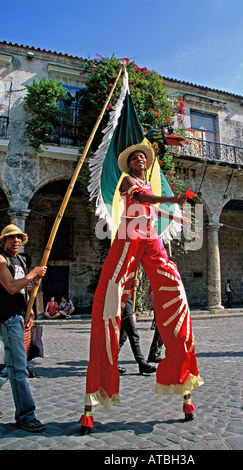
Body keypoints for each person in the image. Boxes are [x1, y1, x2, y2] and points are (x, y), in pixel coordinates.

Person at [79, 143, 204, 434]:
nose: (140, 159)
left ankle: (184, 382)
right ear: (130, 164)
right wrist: (172, 198)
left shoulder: (147, 181)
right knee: (108, 301)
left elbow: (151, 207)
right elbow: (142, 197)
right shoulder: (127, 180)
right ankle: (91, 402)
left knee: (176, 292)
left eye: (143, 157)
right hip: (128, 238)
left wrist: (175, 217)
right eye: (136, 157)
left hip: (151, 241)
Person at [0, 224, 47, 432]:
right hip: (7, 317)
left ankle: (24, 413)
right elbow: (11, 287)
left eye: (19, 237)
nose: (16, 241)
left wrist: (31, 311)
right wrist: (33, 273)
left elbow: (25, 289)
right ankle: (26, 415)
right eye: (11, 238)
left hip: (18, 316)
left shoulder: (20, 259)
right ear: (3, 241)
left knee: (7, 368)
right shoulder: (1, 259)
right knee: (19, 368)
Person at [118, 279, 156, 375]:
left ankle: (109, 362)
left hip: (127, 300)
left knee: (122, 336)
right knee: (133, 334)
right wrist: (130, 284)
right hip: (121, 301)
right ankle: (141, 363)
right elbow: (116, 282)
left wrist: (131, 284)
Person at [145, 284, 163, 363]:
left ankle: (154, 354)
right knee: (160, 332)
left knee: (160, 332)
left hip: (160, 306)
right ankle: (154, 354)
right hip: (160, 306)